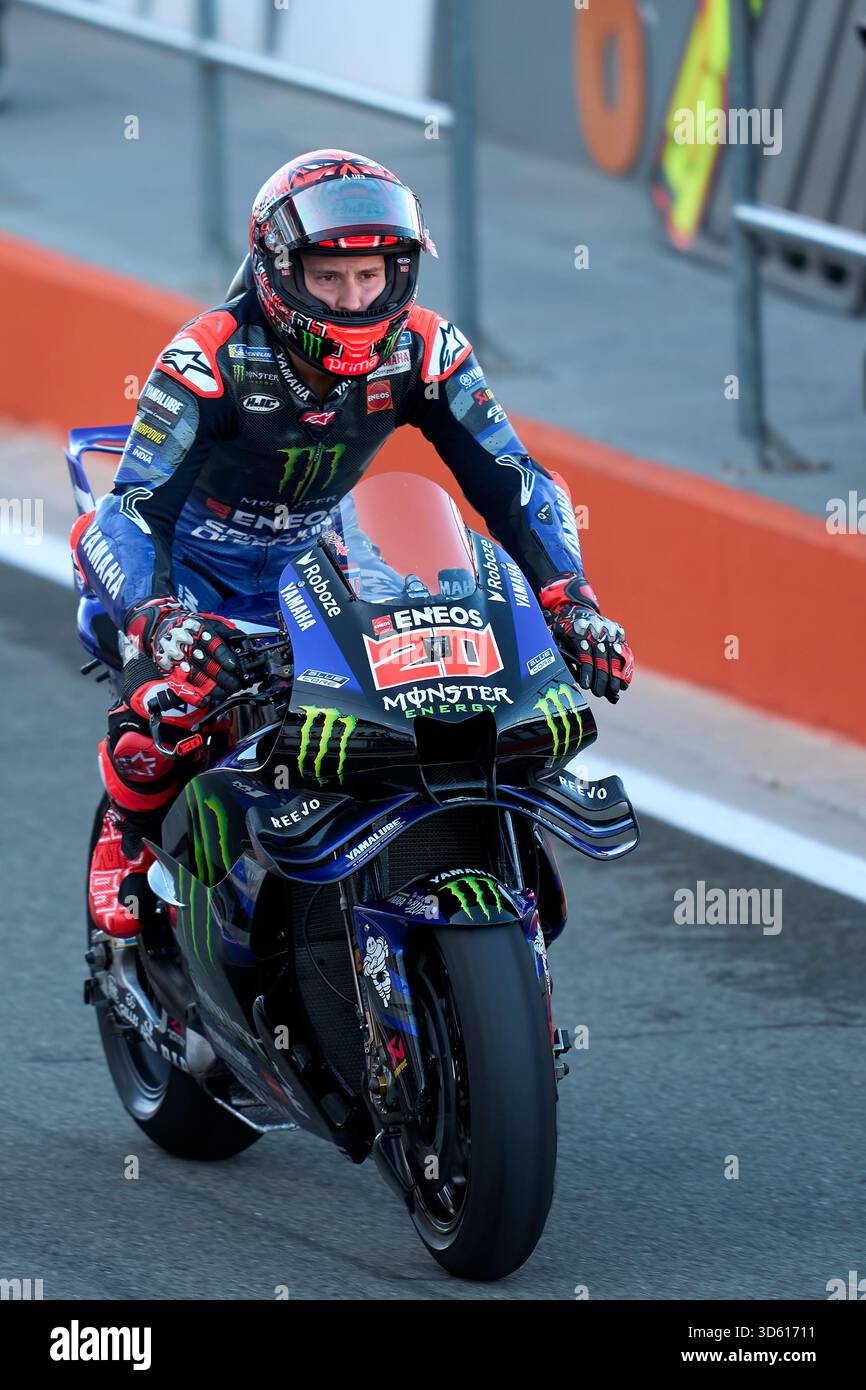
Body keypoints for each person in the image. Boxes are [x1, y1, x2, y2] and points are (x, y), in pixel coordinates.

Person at [77, 148, 633, 937]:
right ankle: (127, 832)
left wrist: (570, 600)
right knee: (173, 705)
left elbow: (514, 478)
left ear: (400, 271)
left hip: (316, 568)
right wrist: (160, 618)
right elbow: (129, 509)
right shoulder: (208, 357)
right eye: (329, 277)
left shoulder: (428, 347)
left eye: (371, 275)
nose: (354, 298)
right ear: (279, 271)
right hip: (188, 576)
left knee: (445, 680)